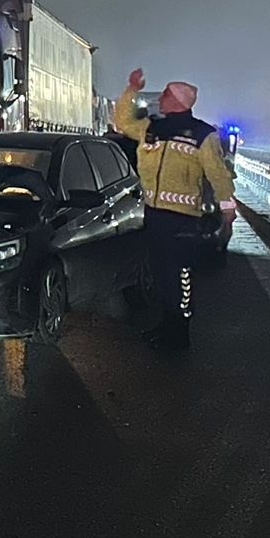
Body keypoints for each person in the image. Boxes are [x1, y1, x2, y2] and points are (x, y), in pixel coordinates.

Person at [111, 67, 236, 352]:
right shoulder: (152, 127)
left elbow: (218, 174)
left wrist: (227, 211)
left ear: (179, 100)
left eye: (166, 94)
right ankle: (167, 326)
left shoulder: (203, 135)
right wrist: (131, 89)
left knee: (179, 276)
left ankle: (180, 333)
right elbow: (122, 121)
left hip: (183, 220)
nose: (162, 98)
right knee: (160, 275)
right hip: (155, 214)